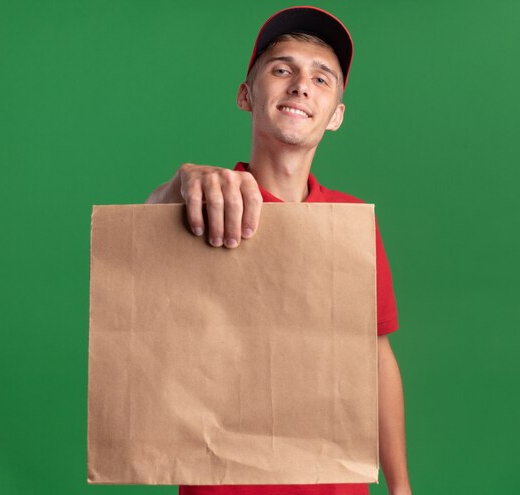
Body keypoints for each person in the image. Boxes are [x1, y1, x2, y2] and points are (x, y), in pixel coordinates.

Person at [146, 6, 411, 495]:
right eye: (282, 69)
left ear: (336, 116)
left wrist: (401, 488)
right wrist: (181, 182)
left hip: (338, 485)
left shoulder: (351, 223)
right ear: (247, 95)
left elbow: (376, 357)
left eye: (321, 78)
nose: (300, 85)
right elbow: (142, 228)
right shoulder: (208, 201)